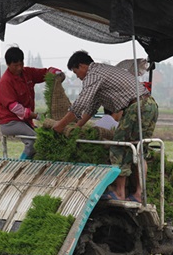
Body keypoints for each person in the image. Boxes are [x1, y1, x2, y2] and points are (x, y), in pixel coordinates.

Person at [53, 50, 158, 202]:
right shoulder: (102, 73)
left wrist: (60, 126)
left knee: (119, 146)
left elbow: (81, 102)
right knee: (140, 149)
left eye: (76, 72)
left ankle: (120, 192)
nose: (78, 77)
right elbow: (91, 107)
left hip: (137, 107)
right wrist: (78, 126)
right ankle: (139, 194)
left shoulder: (93, 74)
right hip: (149, 105)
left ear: (82, 66)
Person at [0, 46, 63, 159]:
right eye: (15, 65)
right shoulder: (5, 82)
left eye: (21, 64)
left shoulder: (27, 73)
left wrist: (57, 72)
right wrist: (36, 116)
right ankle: (21, 166)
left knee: (43, 138)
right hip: (9, 122)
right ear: (8, 65)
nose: (19, 68)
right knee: (34, 141)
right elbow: (16, 108)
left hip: (24, 121)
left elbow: (45, 72)